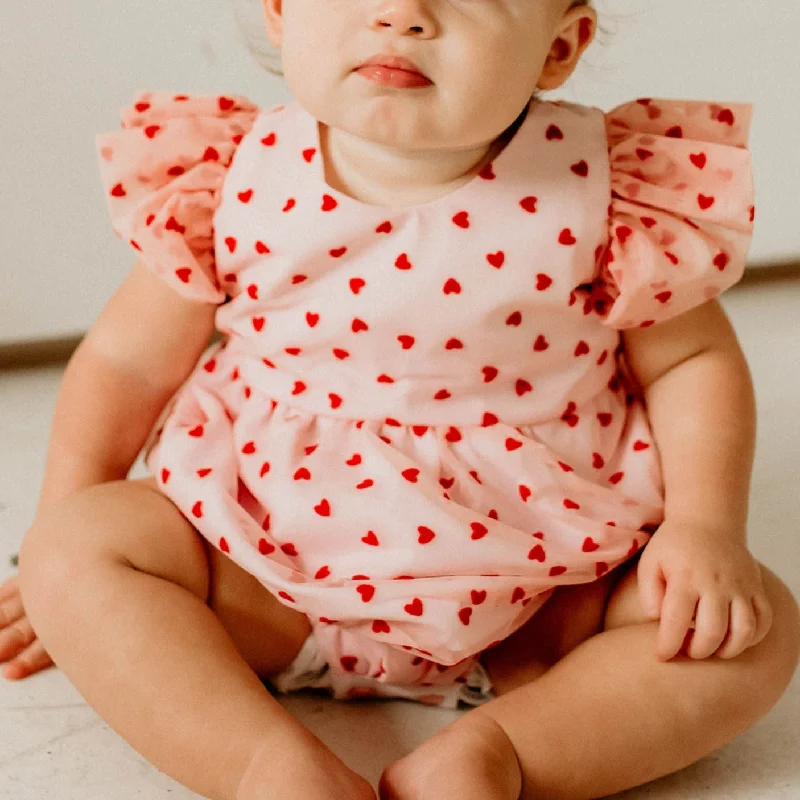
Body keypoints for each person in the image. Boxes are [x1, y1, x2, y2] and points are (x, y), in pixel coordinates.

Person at [3, 0, 799, 797]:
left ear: (559, 46)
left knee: (753, 629)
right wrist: (57, 547)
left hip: (545, 592)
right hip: (262, 570)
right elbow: (125, 366)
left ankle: (501, 756)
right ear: (282, 13)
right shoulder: (234, 174)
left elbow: (689, 361)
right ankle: (264, 766)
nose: (404, 15)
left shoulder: (608, 188)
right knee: (75, 547)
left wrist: (704, 524)